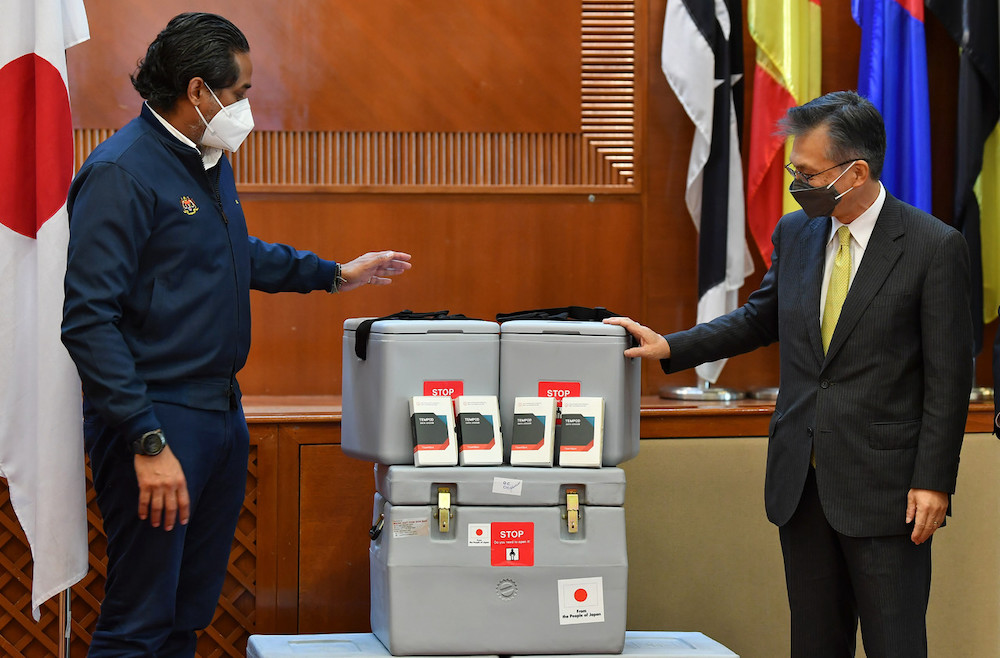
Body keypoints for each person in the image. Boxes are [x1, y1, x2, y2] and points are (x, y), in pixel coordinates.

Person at [60, 13, 411, 656]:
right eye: (242, 91)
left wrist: (335, 276)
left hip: (221, 413)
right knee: (138, 621)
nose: (249, 104)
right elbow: (87, 320)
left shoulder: (207, 159)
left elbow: (230, 252)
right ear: (199, 91)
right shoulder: (122, 172)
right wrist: (146, 438)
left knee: (187, 614)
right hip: (158, 419)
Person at [607, 91, 973, 658]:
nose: (795, 183)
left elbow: (948, 379)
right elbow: (760, 317)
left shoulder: (933, 246)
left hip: (887, 489)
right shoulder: (797, 232)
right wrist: (672, 347)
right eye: (792, 169)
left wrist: (935, 480)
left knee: (895, 644)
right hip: (800, 484)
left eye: (806, 172)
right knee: (814, 644)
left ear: (856, 172)